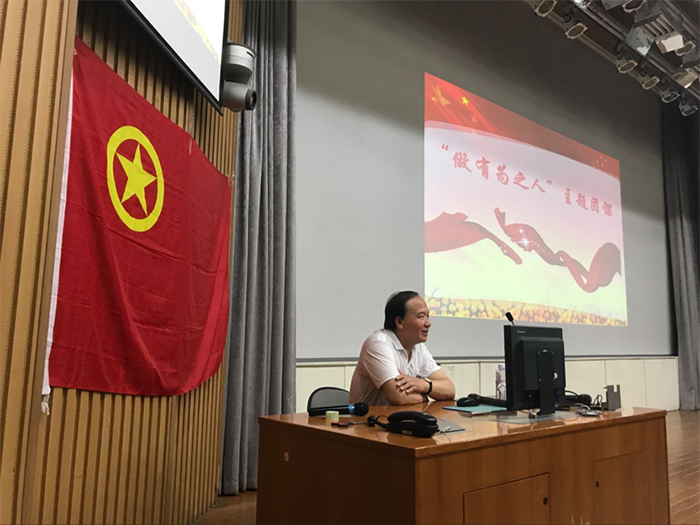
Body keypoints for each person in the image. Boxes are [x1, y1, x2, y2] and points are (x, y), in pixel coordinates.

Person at [349, 291, 455, 406]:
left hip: (401, 415)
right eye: (421, 317)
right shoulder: (378, 344)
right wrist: (426, 396)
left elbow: (449, 389)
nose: (428, 323)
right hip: (369, 417)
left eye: (427, 316)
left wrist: (423, 385)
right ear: (399, 322)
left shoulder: (419, 348)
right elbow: (398, 397)